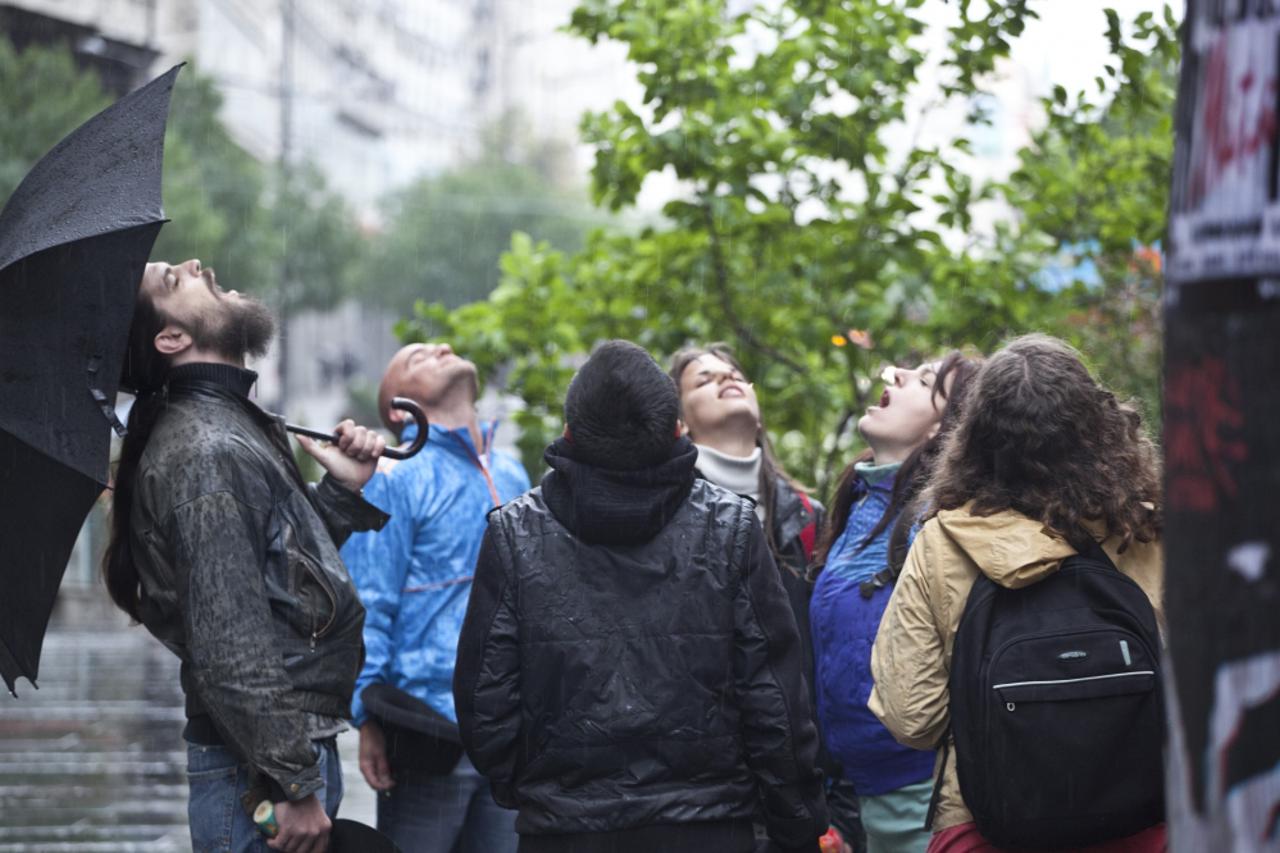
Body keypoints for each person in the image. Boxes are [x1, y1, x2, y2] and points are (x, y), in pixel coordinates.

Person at [453, 340, 830, 853]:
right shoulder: (731, 527)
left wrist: (540, 789)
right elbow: (773, 699)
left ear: (569, 433)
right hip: (707, 827)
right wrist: (797, 822)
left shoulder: (515, 533)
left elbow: (485, 703)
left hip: (565, 831)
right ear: (676, 430)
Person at [104, 259, 390, 853]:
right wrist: (291, 782)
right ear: (171, 338)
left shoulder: (228, 427)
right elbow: (230, 641)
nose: (196, 265)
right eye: (173, 280)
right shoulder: (207, 450)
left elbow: (280, 584)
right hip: (260, 779)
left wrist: (340, 492)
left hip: (275, 757)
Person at [868, 335, 1165, 853]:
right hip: (1146, 819)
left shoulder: (944, 541)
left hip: (986, 824)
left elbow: (912, 718)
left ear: (974, 436)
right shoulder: (1149, 531)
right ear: (1102, 424)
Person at [668, 344, 862, 851]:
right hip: (705, 795)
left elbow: (831, 659)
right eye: (704, 379)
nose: (726, 378)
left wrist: (837, 804)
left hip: (804, 787)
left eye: (734, 372)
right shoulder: (667, 517)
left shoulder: (809, 517)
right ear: (680, 422)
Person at [339, 342, 529, 852]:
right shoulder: (392, 477)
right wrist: (367, 715)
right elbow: (367, 603)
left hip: (509, 732)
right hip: (426, 730)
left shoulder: (511, 472)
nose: (442, 347)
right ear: (399, 409)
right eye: (417, 357)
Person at [808, 352, 979, 853]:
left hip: (932, 795)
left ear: (942, 430)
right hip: (860, 796)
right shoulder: (859, 502)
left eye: (924, 380)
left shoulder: (947, 519)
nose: (897, 373)